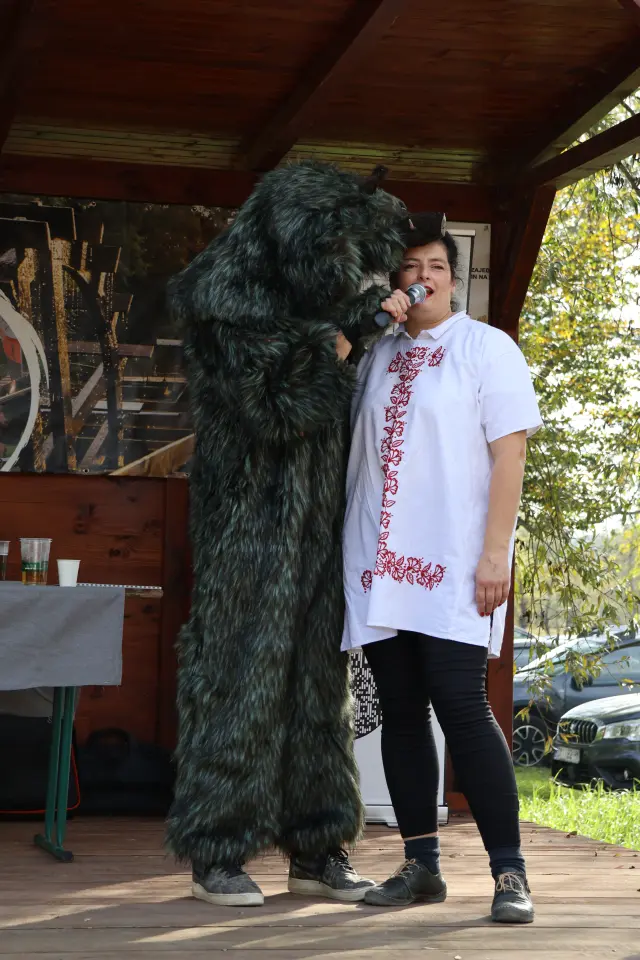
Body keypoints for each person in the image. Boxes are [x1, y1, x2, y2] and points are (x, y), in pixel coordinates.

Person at [341, 216, 542, 924]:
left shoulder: (487, 349)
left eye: (434, 265)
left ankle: (510, 872)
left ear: (452, 279)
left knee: (461, 706)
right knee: (399, 711)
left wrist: (497, 553)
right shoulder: (375, 355)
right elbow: (321, 368)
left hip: (455, 563)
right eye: (408, 268)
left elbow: (510, 455)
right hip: (376, 563)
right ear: (395, 281)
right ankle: (420, 865)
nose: (421, 276)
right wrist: (366, 327)